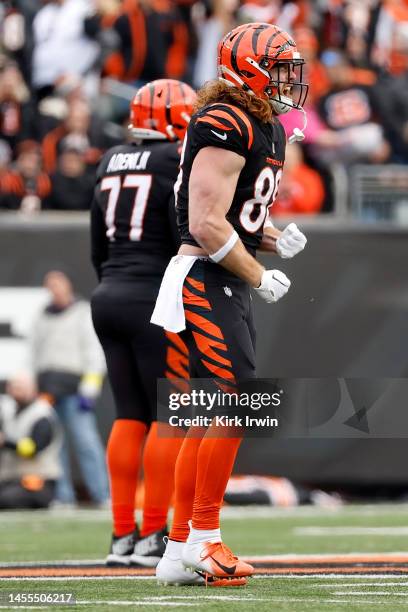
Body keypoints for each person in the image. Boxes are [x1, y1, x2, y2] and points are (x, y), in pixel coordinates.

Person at [152, 22, 308, 586]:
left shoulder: (266, 124)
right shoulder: (225, 121)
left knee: (214, 410)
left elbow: (239, 215)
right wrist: (260, 273)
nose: (292, 80)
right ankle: (204, 537)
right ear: (250, 67)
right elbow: (204, 221)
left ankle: (176, 552)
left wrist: (271, 237)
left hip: (223, 276)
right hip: (205, 274)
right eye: (283, 68)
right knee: (238, 404)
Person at [90, 78, 196, 567]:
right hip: (152, 295)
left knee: (129, 413)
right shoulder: (173, 160)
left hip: (108, 292)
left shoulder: (111, 158)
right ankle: (153, 532)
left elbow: (98, 245)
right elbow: (185, 234)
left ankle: (120, 535)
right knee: (166, 414)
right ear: (177, 119)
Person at [30, 270, 109, 506]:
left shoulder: (81, 314)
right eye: (50, 285)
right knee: (55, 447)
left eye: (58, 284)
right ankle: (63, 496)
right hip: (48, 392)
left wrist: (89, 389)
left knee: (86, 442)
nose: (54, 290)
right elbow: (34, 355)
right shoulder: (41, 317)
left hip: (75, 390)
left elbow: (94, 353)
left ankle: (101, 493)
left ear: (67, 286)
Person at [0, 372, 62, 509]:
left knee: (6, 499)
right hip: (8, 480)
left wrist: (5, 442)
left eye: (21, 387)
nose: (16, 390)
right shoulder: (7, 409)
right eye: (13, 386)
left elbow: (33, 448)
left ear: (33, 388)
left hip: (37, 482)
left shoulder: (42, 413)